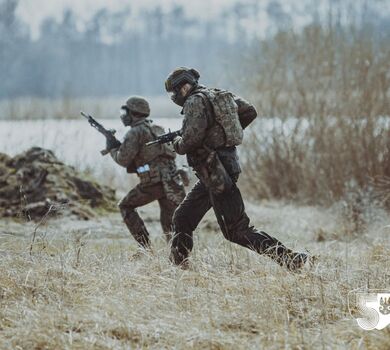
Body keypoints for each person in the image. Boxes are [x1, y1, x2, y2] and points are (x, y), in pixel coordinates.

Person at [164, 67, 311, 271]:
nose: (173, 96)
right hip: (217, 169)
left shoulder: (194, 101)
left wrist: (176, 142)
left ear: (185, 86)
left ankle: (291, 259)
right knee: (183, 217)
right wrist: (222, 134)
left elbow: (190, 141)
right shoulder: (217, 94)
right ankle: (178, 268)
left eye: (174, 91)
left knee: (236, 230)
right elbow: (249, 111)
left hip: (216, 172)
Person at [109, 96, 187, 249]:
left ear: (133, 113)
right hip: (172, 181)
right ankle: (180, 258)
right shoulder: (157, 128)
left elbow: (123, 160)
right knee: (170, 223)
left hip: (154, 182)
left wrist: (111, 147)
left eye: (125, 112)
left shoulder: (135, 132)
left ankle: (145, 248)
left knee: (125, 206)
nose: (123, 116)